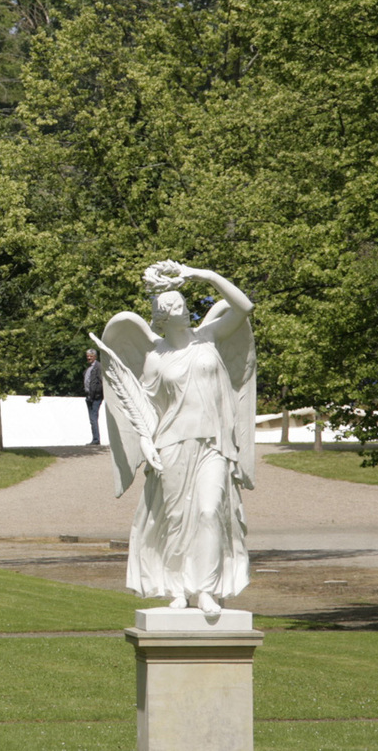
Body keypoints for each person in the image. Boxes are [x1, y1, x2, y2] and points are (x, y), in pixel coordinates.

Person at [93, 260, 256, 616]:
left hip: (213, 443)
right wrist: (146, 444)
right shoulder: (155, 358)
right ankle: (179, 587)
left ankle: (207, 589)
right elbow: (143, 409)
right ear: (161, 319)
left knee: (210, 510)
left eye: (182, 303)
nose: (182, 309)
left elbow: (245, 307)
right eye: (173, 308)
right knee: (177, 519)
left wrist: (203, 275)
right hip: (172, 445)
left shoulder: (209, 336)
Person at [83, 348, 104, 445]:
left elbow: (101, 381)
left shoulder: (98, 367)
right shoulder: (89, 368)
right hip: (89, 396)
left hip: (96, 397)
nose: (88, 358)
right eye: (87, 356)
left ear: (95, 356)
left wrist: (97, 393)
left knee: (93, 418)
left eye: (90, 356)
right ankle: (95, 439)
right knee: (92, 419)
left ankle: (96, 440)